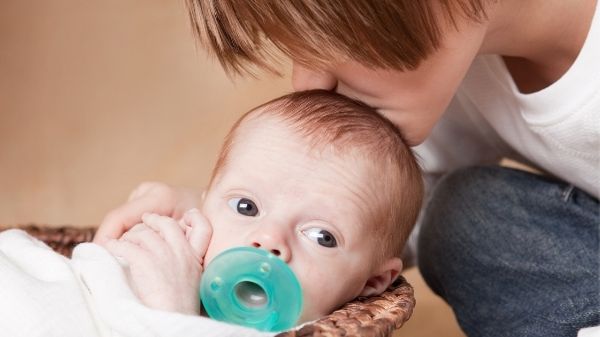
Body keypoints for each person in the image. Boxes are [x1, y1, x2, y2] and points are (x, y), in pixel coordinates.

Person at [96, 1, 600, 336]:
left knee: (469, 217)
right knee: (465, 219)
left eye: (338, 43)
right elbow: (379, 214)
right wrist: (213, 221)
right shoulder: (451, 62)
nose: (308, 82)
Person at [105, 90, 424, 323]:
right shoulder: (165, 259)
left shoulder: (323, 329)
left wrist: (171, 314)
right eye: (245, 206)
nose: (269, 240)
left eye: (322, 236)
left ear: (372, 282)